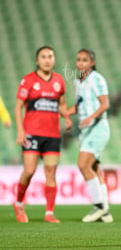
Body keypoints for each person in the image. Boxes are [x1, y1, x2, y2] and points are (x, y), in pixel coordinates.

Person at [14, 45, 72, 223]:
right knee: (29, 170)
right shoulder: (28, 80)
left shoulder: (59, 81)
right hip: (32, 133)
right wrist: (21, 131)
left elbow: (61, 104)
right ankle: (18, 202)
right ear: (37, 60)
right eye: (44, 57)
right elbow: (18, 107)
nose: (47, 60)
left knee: (51, 172)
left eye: (50, 56)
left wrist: (67, 116)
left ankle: (49, 213)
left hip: (52, 134)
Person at [65, 49, 113, 223]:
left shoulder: (97, 79)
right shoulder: (78, 82)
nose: (80, 63)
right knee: (95, 169)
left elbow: (105, 103)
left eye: (84, 60)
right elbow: (78, 106)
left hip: (98, 127)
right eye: (78, 59)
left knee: (83, 164)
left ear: (92, 63)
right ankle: (106, 213)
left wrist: (90, 118)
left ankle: (99, 206)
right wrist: (64, 114)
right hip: (86, 130)